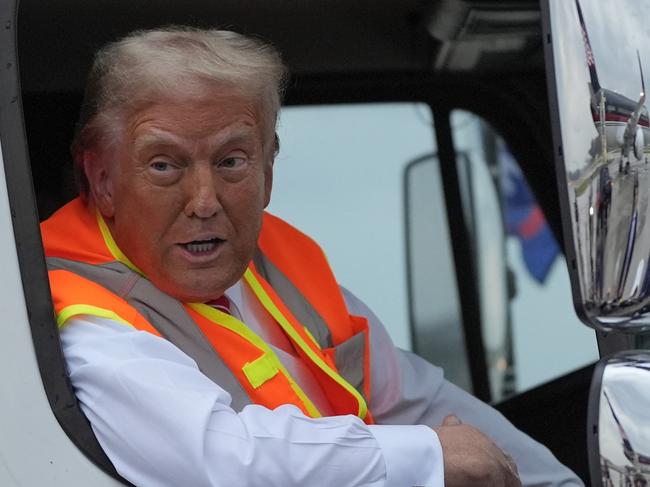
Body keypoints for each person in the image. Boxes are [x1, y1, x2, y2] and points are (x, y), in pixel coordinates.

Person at [41, 27, 583, 487]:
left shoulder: (277, 266)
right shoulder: (78, 312)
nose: (204, 201)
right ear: (102, 179)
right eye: (164, 166)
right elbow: (220, 458)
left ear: (268, 169)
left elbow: (415, 399)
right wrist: (429, 457)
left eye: (232, 161)